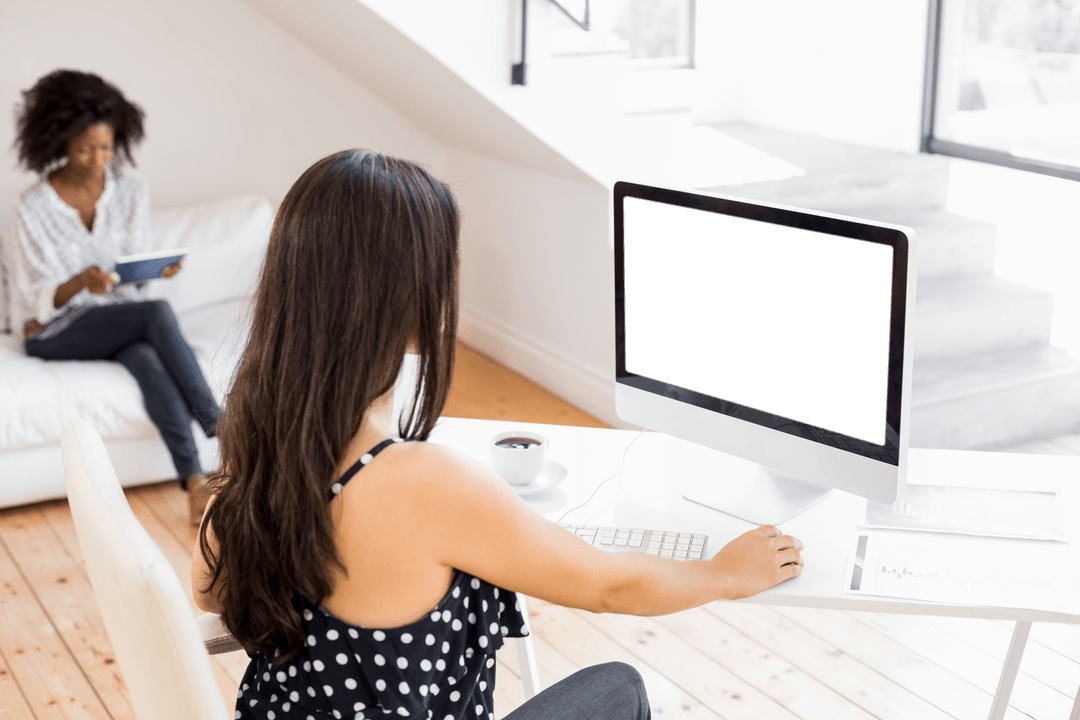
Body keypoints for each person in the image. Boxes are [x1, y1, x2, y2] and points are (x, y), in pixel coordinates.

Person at [191, 150, 804, 720]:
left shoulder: (259, 446)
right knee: (620, 688)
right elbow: (610, 585)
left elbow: (207, 592)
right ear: (409, 296)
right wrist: (726, 574)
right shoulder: (416, 480)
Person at [9, 69, 219, 525]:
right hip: (51, 329)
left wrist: (153, 270)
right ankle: (223, 431)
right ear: (59, 141)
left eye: (106, 147)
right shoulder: (34, 206)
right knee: (157, 314)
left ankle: (195, 484)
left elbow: (135, 279)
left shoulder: (130, 193)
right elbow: (33, 297)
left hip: (116, 319)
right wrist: (81, 282)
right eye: (85, 148)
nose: (97, 159)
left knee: (145, 357)